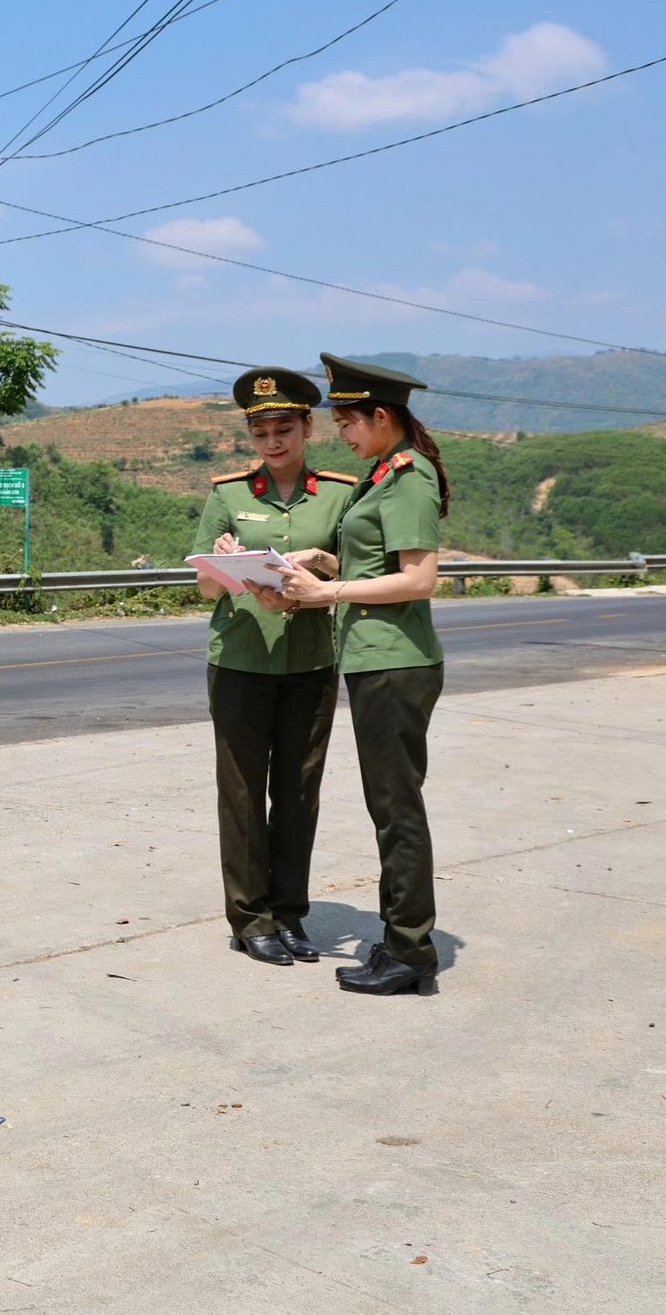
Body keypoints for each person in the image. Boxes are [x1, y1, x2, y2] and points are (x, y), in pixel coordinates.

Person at [270, 353, 452, 995]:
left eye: (347, 421)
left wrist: (328, 593)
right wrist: (319, 558)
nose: (341, 433)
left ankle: (411, 951)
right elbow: (374, 557)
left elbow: (420, 577)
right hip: (376, 660)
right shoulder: (380, 474)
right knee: (389, 805)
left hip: (396, 662)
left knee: (397, 808)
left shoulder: (409, 476)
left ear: (382, 417)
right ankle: (398, 939)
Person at [191, 368, 357, 966]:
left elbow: (358, 568)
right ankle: (250, 917)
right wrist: (227, 566)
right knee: (240, 792)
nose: (272, 442)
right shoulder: (228, 494)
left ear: (308, 427)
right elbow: (207, 589)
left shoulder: (340, 493)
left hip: (310, 659)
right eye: (261, 432)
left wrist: (319, 561)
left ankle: (289, 914)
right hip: (239, 660)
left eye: (284, 429)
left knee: (297, 792)